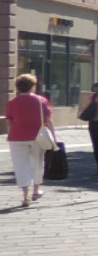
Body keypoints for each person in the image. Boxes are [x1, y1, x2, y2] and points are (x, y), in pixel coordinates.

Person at [6, 74, 54, 208]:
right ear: (33, 87)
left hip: (16, 137)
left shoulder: (12, 103)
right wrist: (54, 136)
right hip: (37, 137)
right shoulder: (41, 100)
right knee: (37, 162)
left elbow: (10, 121)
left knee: (20, 165)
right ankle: (36, 190)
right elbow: (48, 120)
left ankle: (25, 196)